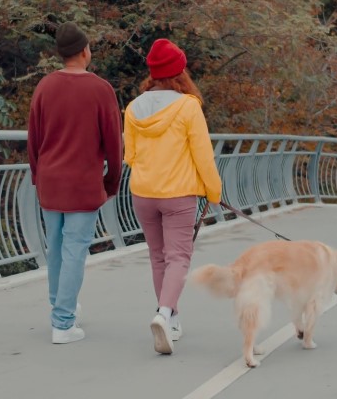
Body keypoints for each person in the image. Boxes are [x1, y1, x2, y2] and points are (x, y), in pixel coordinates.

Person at [123, 38, 222, 355]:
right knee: (179, 257)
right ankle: (164, 313)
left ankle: (173, 319)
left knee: (158, 256)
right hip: (178, 194)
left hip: (143, 192)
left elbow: (131, 156)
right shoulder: (188, 106)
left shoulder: (133, 108)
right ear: (180, 72)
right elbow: (203, 156)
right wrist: (213, 191)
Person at [27, 22, 123, 344]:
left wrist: (38, 177)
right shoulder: (101, 89)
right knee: (75, 251)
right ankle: (64, 324)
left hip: (50, 182)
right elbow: (114, 145)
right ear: (85, 51)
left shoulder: (44, 87)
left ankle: (60, 308)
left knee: (56, 249)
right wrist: (111, 184)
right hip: (82, 184)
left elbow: (34, 140)